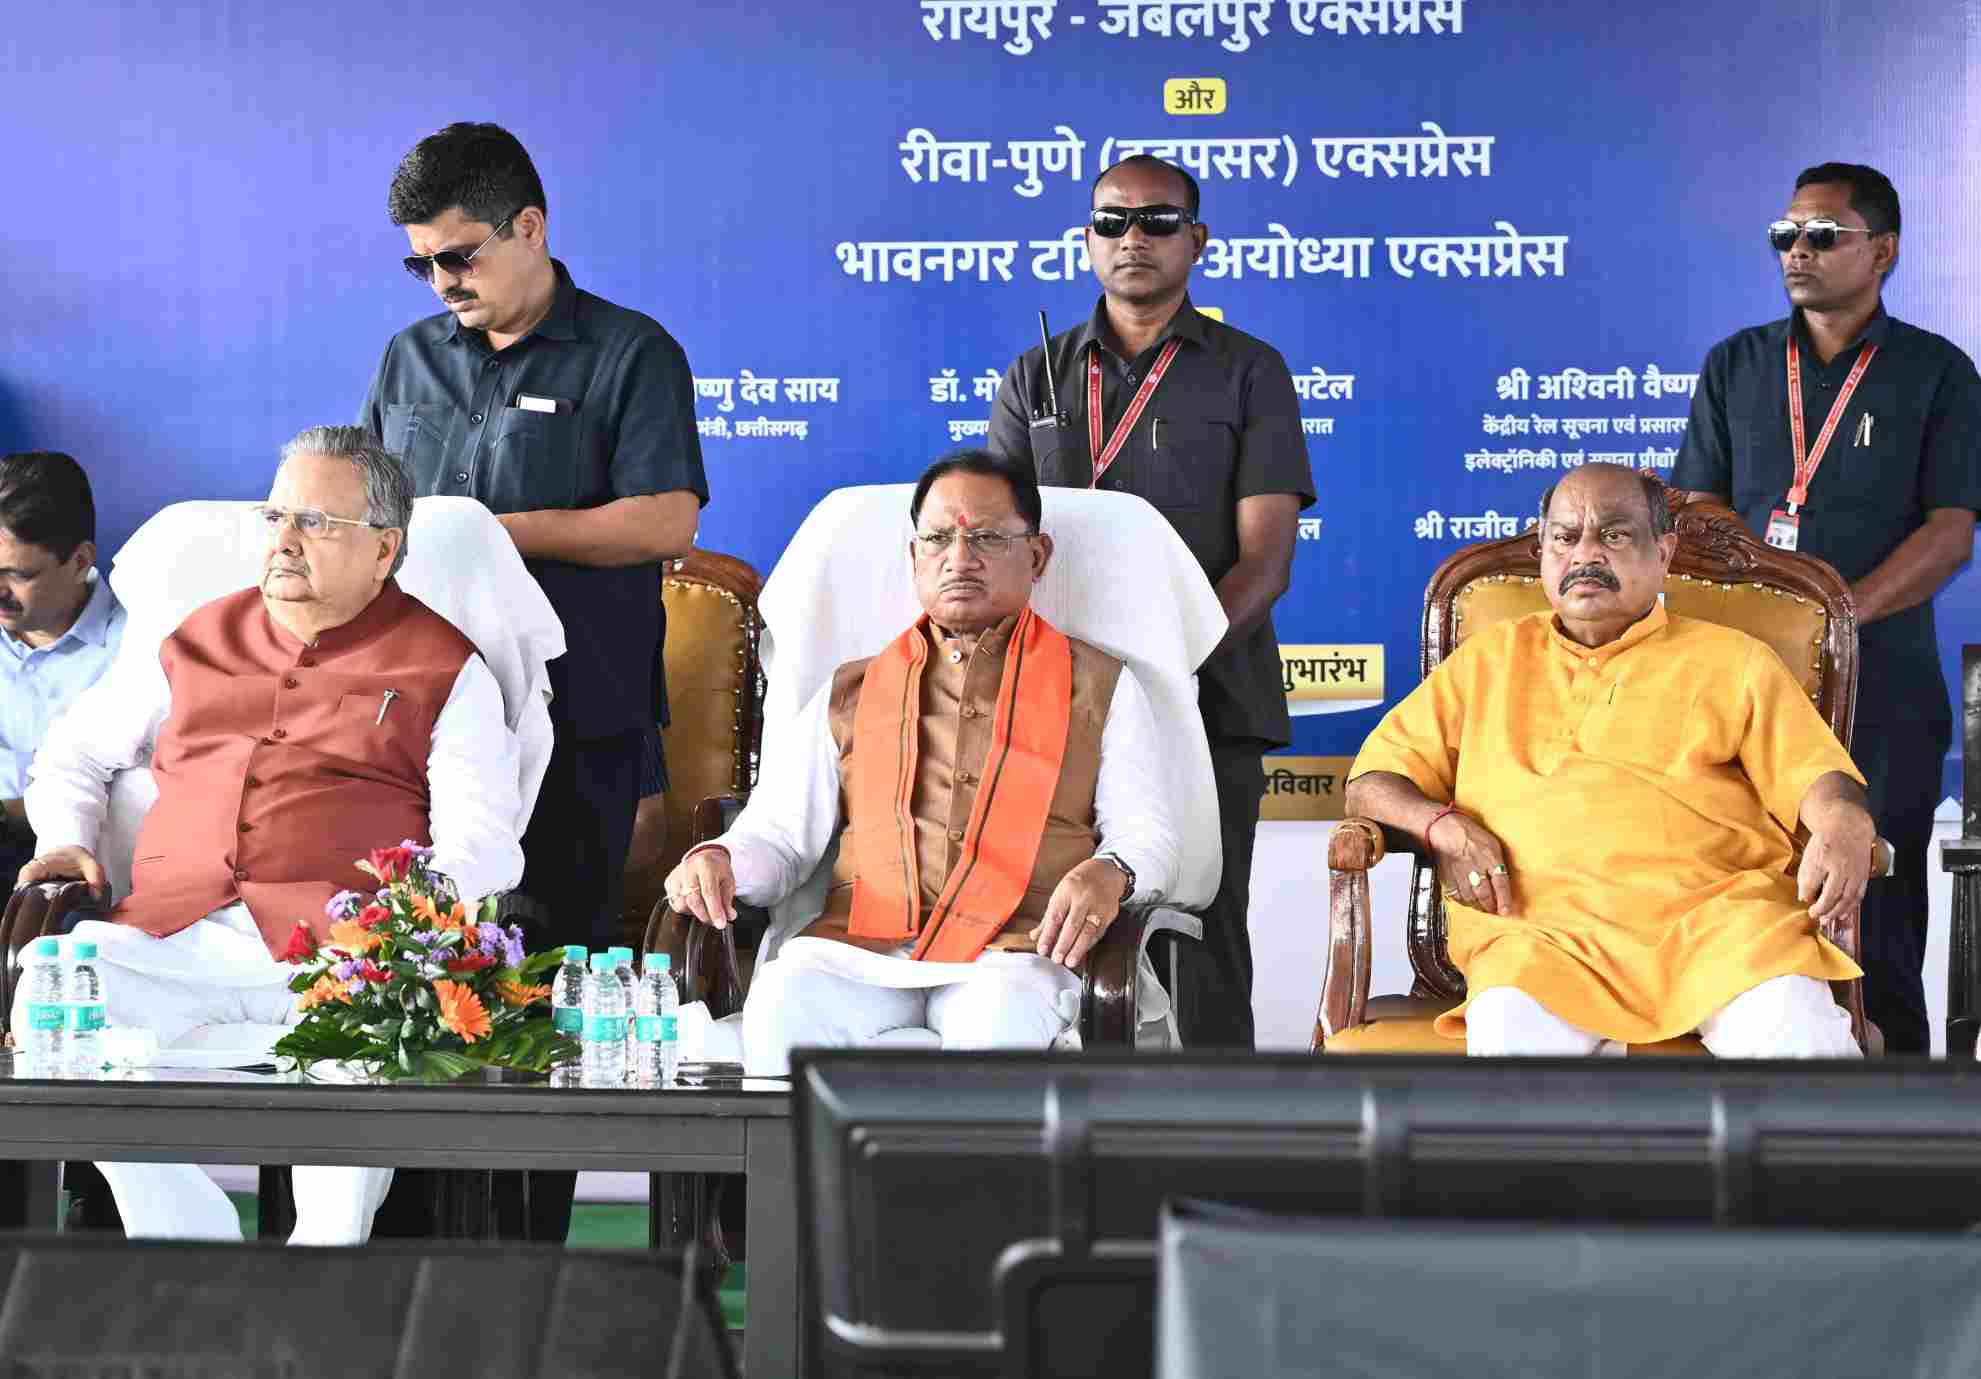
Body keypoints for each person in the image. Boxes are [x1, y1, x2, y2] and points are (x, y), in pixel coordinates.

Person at [14, 427, 523, 1242]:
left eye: (316, 522)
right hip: (173, 938)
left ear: (384, 549)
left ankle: (322, 1270)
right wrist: (68, 836)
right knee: (54, 994)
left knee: (365, 1072)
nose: (284, 540)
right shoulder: (195, 638)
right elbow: (73, 753)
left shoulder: (444, 667)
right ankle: (187, 1237)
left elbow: (484, 841)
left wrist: (398, 929)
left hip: (337, 958)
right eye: (277, 516)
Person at [358, 122, 706, 1238]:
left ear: (529, 227)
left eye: (460, 256)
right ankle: (404, 1242)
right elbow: (370, 520)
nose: (442, 283)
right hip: (419, 722)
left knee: (550, 975)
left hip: (579, 713)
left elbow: (665, 518)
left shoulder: (628, 351)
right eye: (421, 262)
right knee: (417, 964)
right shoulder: (409, 358)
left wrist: (486, 535)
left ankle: (528, 1255)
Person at [664, 452, 1178, 1076]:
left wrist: (1110, 871)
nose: (959, 558)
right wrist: (721, 859)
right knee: (782, 1002)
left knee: (999, 1020)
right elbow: (779, 838)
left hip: (1016, 953)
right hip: (859, 950)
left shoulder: (1100, 685)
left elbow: (1146, 834)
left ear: (1037, 556)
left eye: (986, 538)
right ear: (914, 558)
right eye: (937, 539)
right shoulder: (850, 691)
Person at [1344, 463, 1870, 1058]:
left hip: (1719, 930)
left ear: (1663, 553)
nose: (1585, 555)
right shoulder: (1487, 662)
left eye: (1614, 535)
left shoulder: (1735, 661)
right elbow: (1371, 783)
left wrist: (1841, 820)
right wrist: (1442, 826)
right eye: (1565, 537)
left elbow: (1817, 776)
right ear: (1543, 554)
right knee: (1511, 1063)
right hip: (1540, 938)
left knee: (1799, 1043)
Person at [986, 154, 1314, 1049]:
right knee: (1048, 926)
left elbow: (1265, 563)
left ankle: (1215, 1123)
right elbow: (995, 542)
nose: (1132, 237)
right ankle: (1079, 1124)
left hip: (1207, 696)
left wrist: (1161, 669)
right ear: (1087, 239)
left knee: (1202, 931)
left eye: (1158, 221)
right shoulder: (1035, 374)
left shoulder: (1249, 371)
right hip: (1054, 704)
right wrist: (1082, 681)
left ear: (1196, 239)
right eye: (1111, 221)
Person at [1670, 162, 1981, 1054]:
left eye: (1821, 235)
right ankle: (1763, 1075)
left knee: (1877, 900)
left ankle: (1896, 1093)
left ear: (1881, 251)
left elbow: (1950, 531)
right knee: (1743, 886)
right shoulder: (1736, 363)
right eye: (1784, 235)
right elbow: (1698, 506)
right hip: (1748, 684)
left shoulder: (1935, 371)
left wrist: (1834, 616)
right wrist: (1778, 606)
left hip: (1882, 683)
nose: (1796, 251)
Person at [0, 452, 125, 882]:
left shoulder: (136, 648)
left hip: (60, 854)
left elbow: (118, 795)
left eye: (18, 574)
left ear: (79, 562)